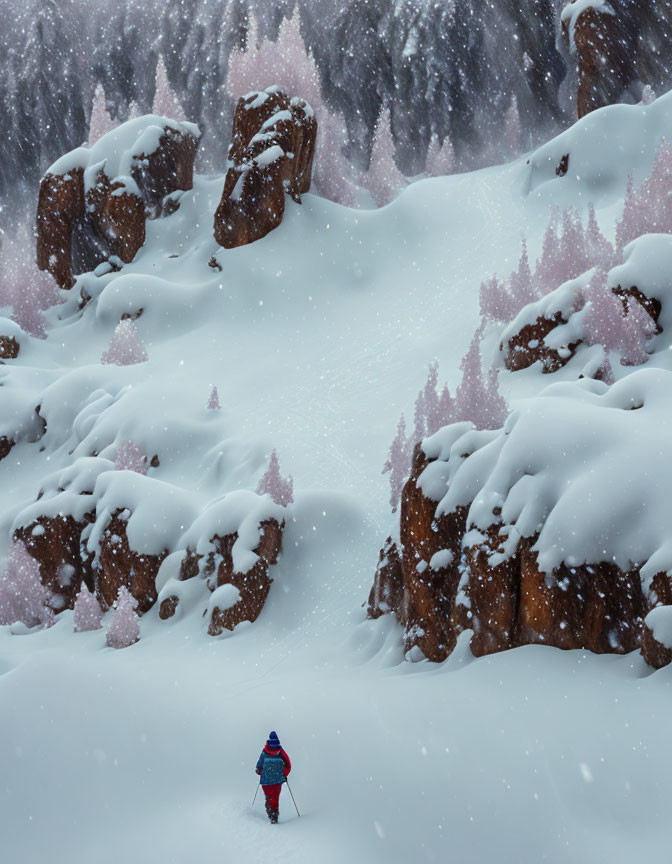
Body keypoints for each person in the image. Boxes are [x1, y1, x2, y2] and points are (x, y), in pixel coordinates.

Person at [255, 730, 291, 824]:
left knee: (268, 797)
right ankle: (274, 816)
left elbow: (259, 763)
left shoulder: (265, 751)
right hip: (277, 780)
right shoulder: (280, 751)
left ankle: (270, 812)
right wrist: (284, 774)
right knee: (275, 798)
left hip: (266, 780)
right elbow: (288, 765)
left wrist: (259, 771)